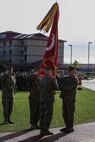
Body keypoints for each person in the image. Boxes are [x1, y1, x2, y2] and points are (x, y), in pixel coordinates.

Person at [59, 66, 78, 133]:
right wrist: (54, 72)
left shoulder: (75, 79)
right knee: (65, 113)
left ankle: (70, 127)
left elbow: (69, 88)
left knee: (70, 113)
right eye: (69, 71)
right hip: (65, 98)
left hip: (70, 99)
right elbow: (59, 80)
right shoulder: (66, 77)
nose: (70, 72)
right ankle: (67, 126)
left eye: (72, 71)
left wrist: (61, 87)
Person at [39, 67, 58, 136]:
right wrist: (55, 80)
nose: (52, 72)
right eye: (51, 71)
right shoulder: (51, 79)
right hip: (49, 100)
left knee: (42, 115)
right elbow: (56, 87)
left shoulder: (41, 79)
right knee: (48, 115)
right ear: (48, 71)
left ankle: (41, 130)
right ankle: (46, 130)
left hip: (42, 99)